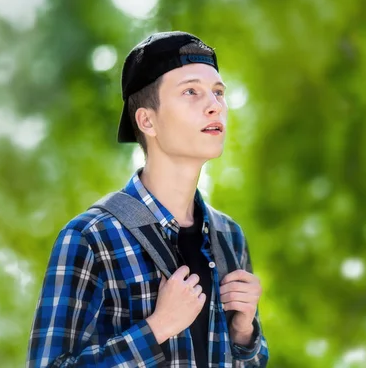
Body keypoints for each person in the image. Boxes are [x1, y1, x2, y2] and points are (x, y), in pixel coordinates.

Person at [27, 31, 269, 367]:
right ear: (147, 120)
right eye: (191, 92)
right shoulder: (91, 238)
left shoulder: (229, 238)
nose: (215, 106)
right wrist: (157, 328)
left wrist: (244, 332)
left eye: (218, 93)